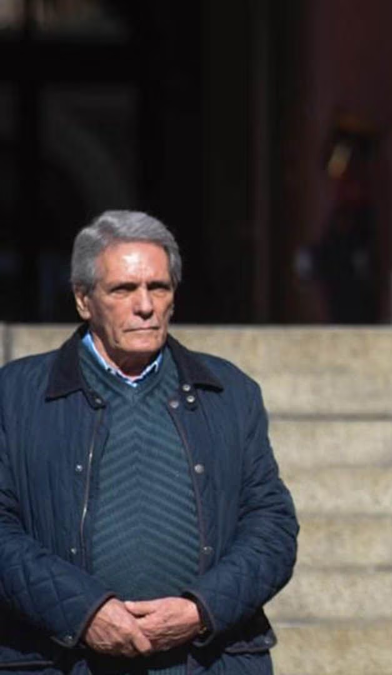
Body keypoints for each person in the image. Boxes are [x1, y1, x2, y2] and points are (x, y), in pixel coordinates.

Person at [0, 211, 298, 673]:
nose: (145, 306)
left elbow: (272, 526)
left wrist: (201, 609)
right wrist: (83, 612)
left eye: (158, 288)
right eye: (123, 290)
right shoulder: (15, 394)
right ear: (83, 300)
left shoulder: (229, 392)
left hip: (208, 660)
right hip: (62, 660)